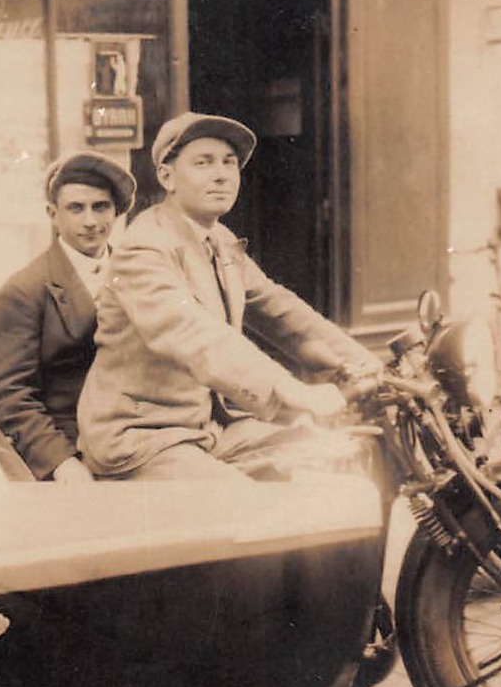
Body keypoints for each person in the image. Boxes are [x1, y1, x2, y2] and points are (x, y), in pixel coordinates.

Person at [77, 112, 380, 481]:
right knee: (242, 507)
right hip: (145, 436)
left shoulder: (218, 240)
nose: (221, 175)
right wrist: (293, 390)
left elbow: (279, 309)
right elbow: (194, 334)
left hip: (211, 427)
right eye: (203, 163)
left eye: (229, 163)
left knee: (333, 458)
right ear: (167, 177)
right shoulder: (143, 248)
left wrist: (367, 363)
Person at [0, 151, 134, 482]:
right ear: (53, 214)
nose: (91, 221)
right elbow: (8, 395)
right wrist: (60, 461)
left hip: (139, 439)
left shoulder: (140, 274)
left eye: (101, 207)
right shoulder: (26, 290)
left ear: (118, 212)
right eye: (76, 208)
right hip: (73, 449)